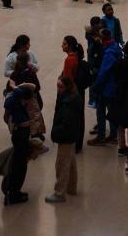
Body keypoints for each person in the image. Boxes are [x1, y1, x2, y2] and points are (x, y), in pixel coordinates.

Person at [46, 74, 83, 202]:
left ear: (67, 87)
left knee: (61, 165)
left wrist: (56, 133)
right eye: (57, 86)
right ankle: (71, 187)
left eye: (60, 86)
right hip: (71, 136)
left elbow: (66, 123)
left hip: (66, 137)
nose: (58, 89)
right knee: (70, 163)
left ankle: (59, 193)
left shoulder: (68, 103)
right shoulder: (72, 97)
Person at [1, 81, 37, 205]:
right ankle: (13, 194)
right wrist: (15, 87)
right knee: (19, 166)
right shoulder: (16, 102)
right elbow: (32, 87)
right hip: (21, 135)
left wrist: (15, 87)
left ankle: (13, 192)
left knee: (18, 164)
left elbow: (32, 87)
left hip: (18, 133)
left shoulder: (13, 100)